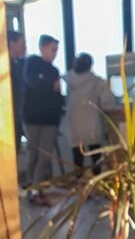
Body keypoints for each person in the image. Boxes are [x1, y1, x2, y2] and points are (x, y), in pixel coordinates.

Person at [23, 34, 64, 206]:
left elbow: (56, 95)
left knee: (44, 155)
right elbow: (33, 82)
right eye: (52, 49)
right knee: (32, 154)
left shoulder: (54, 70)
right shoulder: (32, 62)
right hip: (32, 117)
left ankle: (36, 189)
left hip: (49, 119)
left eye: (56, 50)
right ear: (42, 47)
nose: (54, 54)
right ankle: (31, 189)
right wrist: (50, 86)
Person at [63, 53, 115, 175]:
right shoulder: (97, 82)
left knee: (77, 156)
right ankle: (97, 184)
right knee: (96, 155)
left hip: (74, 125)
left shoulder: (69, 80)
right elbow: (107, 102)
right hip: (92, 124)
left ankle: (79, 185)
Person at [7, 31, 26, 154]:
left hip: (18, 118)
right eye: (22, 43)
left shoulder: (18, 64)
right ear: (11, 43)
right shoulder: (4, 66)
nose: (24, 47)